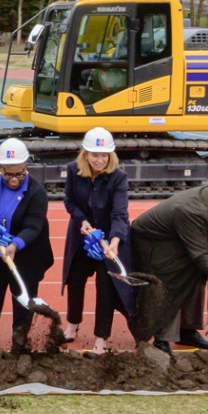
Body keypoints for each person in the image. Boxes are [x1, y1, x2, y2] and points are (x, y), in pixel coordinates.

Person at [129, 178, 208, 354]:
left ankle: (187, 329)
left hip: (175, 236)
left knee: (198, 273)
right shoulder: (193, 211)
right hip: (153, 242)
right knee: (173, 279)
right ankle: (163, 338)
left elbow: (203, 237)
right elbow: (201, 256)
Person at [0, 138, 54, 352]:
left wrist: (15, 245)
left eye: (19, 174)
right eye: (8, 174)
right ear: (0, 169)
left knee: (23, 294)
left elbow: (34, 226)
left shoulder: (36, 192)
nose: (14, 180)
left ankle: (20, 336)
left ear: (26, 167)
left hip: (26, 252)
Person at [59, 128, 132, 354]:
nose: (99, 160)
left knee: (105, 286)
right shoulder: (73, 170)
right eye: (94, 155)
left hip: (109, 237)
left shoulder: (119, 178)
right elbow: (70, 202)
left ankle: (101, 337)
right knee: (75, 279)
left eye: (104, 155)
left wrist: (115, 241)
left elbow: (120, 213)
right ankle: (72, 323)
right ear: (86, 154)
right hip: (81, 234)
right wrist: (81, 221)